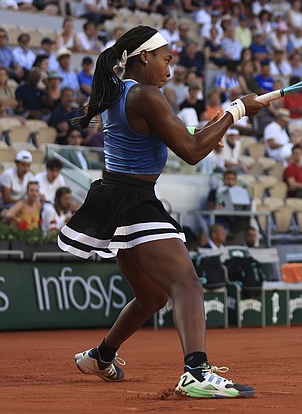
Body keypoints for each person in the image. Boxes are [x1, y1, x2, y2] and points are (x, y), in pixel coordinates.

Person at [57, 26, 264, 398]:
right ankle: (196, 372)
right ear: (144, 58)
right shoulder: (147, 96)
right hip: (134, 199)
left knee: (152, 297)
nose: (170, 70)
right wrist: (236, 111)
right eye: (166, 60)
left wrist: (222, 120)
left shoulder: (119, 91)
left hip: (114, 196)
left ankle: (100, 357)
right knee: (187, 284)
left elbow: (176, 135)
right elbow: (192, 150)